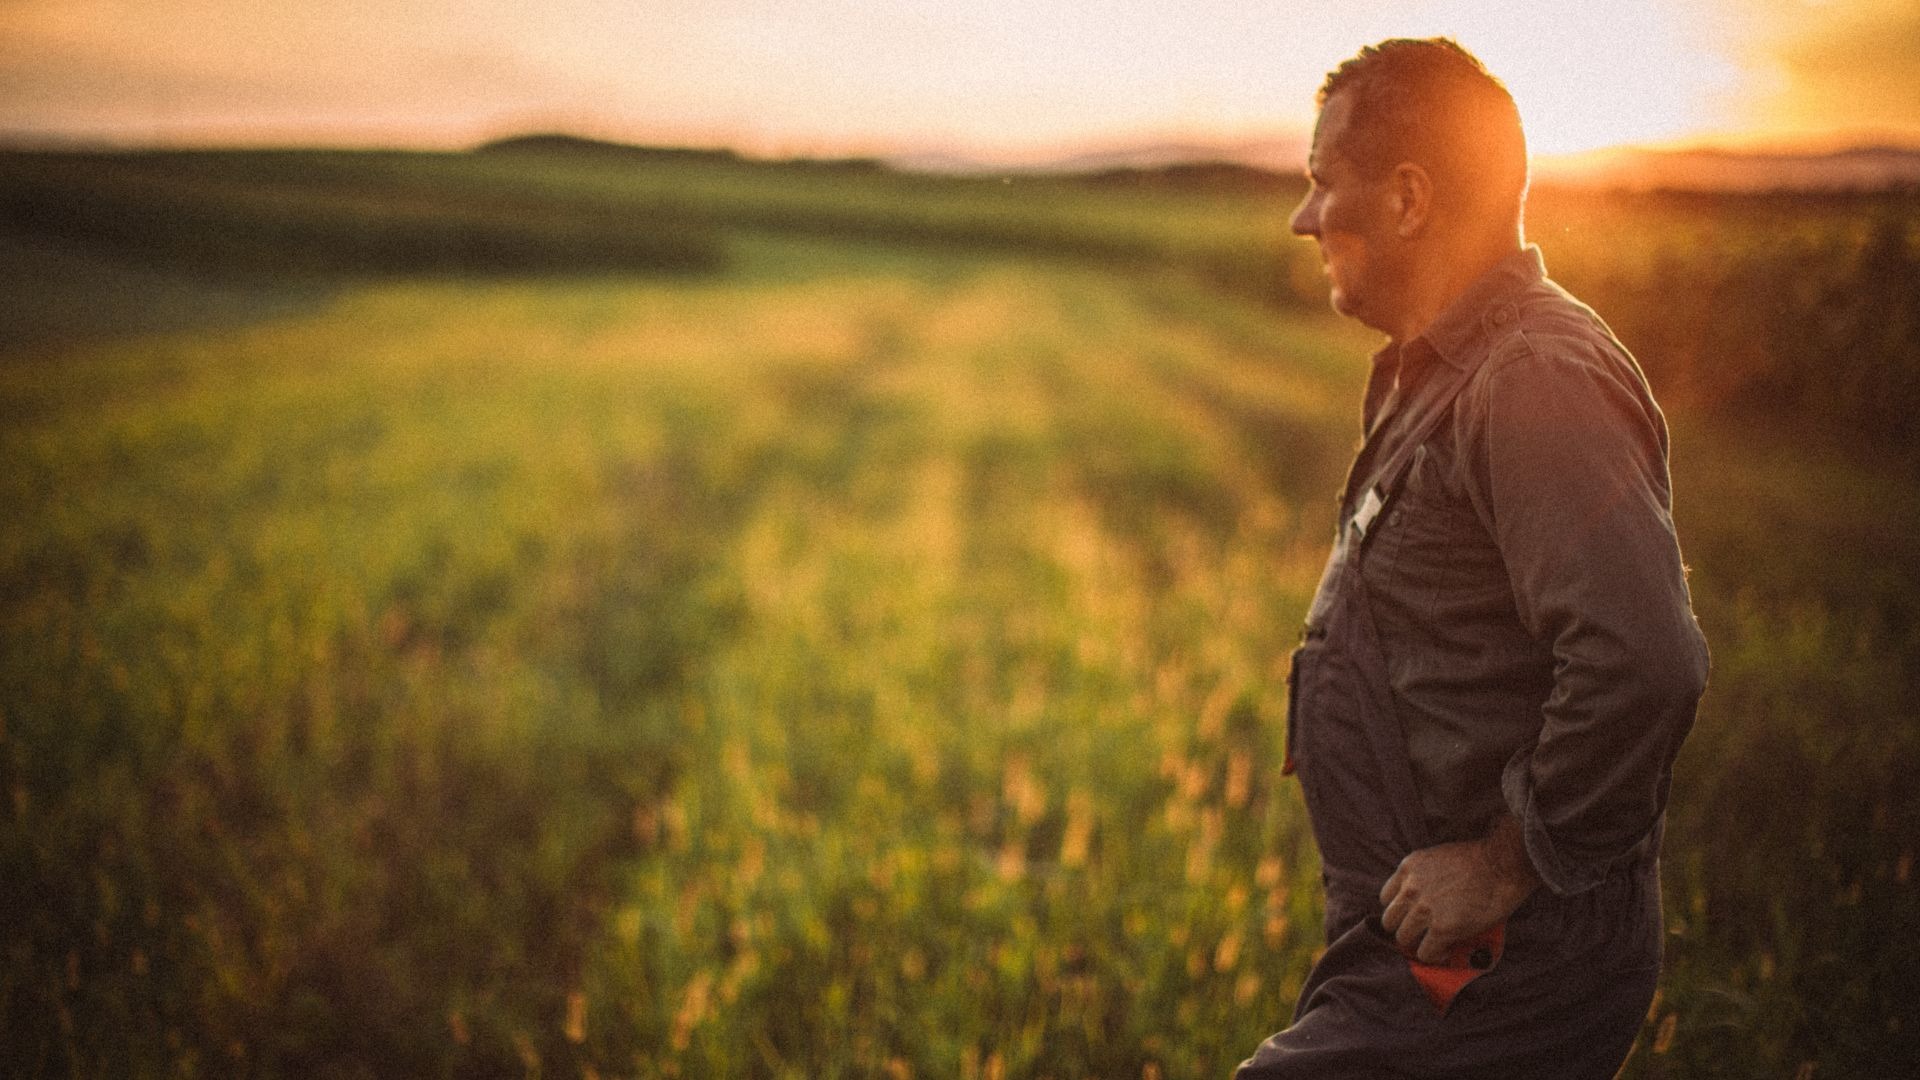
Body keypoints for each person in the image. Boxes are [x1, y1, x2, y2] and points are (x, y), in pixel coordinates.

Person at [1234, 39, 1710, 1079]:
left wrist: (1502, 865)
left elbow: (1644, 659)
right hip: (1424, 944)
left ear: (1408, 199)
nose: (1304, 217)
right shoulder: (1439, 371)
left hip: (1500, 960)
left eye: (1323, 181)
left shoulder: (1535, 376)